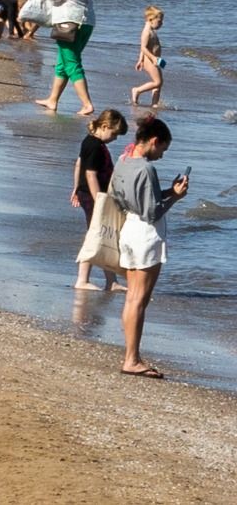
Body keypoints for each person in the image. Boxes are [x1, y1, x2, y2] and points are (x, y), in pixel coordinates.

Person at [112, 116, 188, 379]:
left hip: (128, 230)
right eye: (162, 150)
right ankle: (132, 359)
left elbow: (127, 197)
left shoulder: (123, 161)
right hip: (146, 235)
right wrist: (176, 198)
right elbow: (153, 212)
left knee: (132, 297)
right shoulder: (146, 169)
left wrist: (169, 191)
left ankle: (130, 355)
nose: (161, 156)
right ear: (154, 141)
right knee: (139, 300)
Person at [34, 0, 96, 116]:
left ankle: (87, 104)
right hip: (87, 21)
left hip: (68, 20)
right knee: (63, 62)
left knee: (71, 63)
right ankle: (53, 100)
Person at [72, 109, 128, 292]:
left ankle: (110, 281)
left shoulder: (90, 142)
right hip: (92, 196)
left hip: (87, 193)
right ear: (104, 127)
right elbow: (90, 174)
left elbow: (79, 164)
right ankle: (82, 280)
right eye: (114, 134)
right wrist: (99, 202)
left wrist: (75, 188)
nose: (115, 139)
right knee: (94, 235)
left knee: (101, 235)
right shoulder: (95, 146)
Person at [130, 5, 166, 107]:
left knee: (159, 83)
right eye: (159, 21)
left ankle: (154, 103)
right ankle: (137, 90)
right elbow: (143, 48)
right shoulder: (146, 32)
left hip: (154, 60)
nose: (161, 24)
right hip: (150, 60)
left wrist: (140, 59)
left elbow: (144, 48)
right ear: (151, 19)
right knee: (157, 82)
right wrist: (151, 58)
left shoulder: (151, 31)